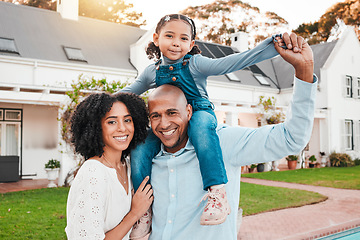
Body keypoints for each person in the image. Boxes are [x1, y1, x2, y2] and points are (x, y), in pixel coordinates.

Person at [120, 13, 291, 229]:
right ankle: (144, 212)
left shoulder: (195, 64)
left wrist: (271, 46)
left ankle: (218, 194)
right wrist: (99, 102)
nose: (176, 43)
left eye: (183, 39)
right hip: (172, 120)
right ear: (156, 38)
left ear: (191, 44)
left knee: (200, 128)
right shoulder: (150, 73)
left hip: (199, 112)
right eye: (170, 36)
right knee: (141, 144)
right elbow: (127, 94)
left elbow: (232, 62)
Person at [146, 32, 317, 239]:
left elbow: (292, 138)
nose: (164, 124)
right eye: (155, 116)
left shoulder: (223, 142)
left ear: (189, 111)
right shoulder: (145, 155)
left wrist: (304, 70)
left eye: (172, 113)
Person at [65, 92, 153, 240]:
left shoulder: (129, 166)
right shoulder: (93, 172)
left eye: (127, 120)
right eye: (112, 122)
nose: (122, 128)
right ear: (96, 128)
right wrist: (135, 213)